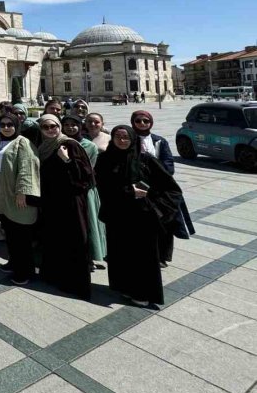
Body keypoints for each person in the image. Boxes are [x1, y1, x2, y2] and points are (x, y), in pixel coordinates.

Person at [96, 125, 182, 306]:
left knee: (142, 257)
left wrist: (153, 202)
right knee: (121, 255)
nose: (122, 140)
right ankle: (125, 288)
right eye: (118, 137)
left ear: (133, 139)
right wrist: (128, 192)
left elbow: (170, 188)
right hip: (117, 216)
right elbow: (102, 186)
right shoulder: (105, 159)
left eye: (125, 137)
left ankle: (143, 293)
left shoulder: (145, 160)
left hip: (141, 218)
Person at [0, 110, 40, 284]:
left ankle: (24, 272)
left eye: (10, 125)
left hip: (16, 195)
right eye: (3, 124)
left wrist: (23, 192)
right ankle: (14, 262)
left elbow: (27, 169)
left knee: (21, 236)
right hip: (0, 194)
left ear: (16, 126)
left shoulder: (23, 143)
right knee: (10, 233)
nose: (6, 128)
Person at [37, 114, 94, 299]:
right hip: (52, 201)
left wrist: (67, 161)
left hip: (71, 201)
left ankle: (76, 283)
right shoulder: (42, 147)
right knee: (55, 239)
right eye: (46, 127)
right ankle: (55, 277)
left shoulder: (70, 145)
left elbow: (86, 176)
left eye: (53, 126)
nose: (50, 130)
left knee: (74, 239)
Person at [130, 110, 192, 266]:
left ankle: (162, 256)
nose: (142, 124)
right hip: (138, 188)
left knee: (164, 222)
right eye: (138, 121)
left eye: (146, 121)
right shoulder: (129, 139)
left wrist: (153, 173)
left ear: (151, 122)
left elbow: (169, 165)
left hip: (159, 189)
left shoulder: (159, 141)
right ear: (133, 122)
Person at [62, 114, 107, 268]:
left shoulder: (89, 146)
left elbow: (89, 171)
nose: (70, 128)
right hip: (65, 190)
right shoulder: (58, 143)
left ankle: (91, 256)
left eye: (73, 124)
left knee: (89, 224)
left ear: (80, 126)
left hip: (84, 190)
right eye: (66, 124)